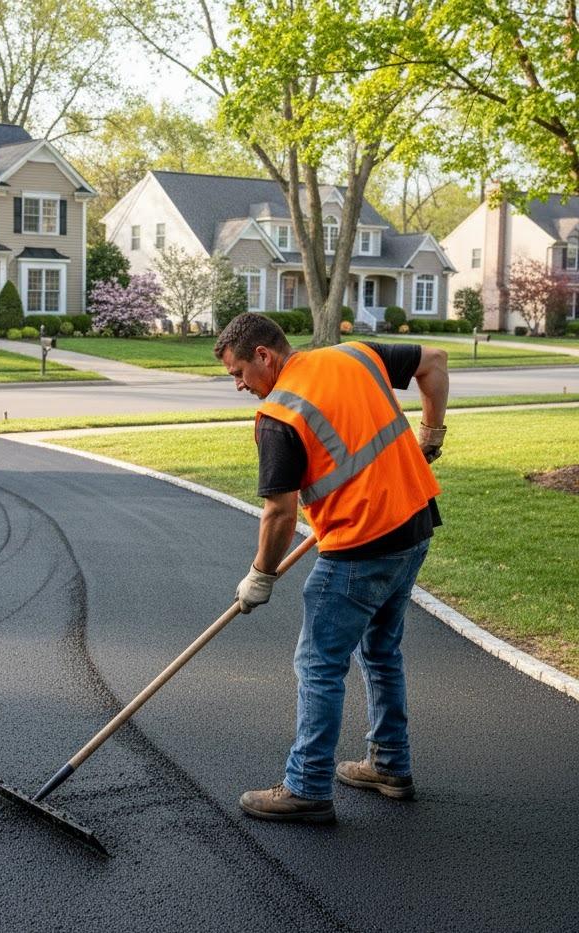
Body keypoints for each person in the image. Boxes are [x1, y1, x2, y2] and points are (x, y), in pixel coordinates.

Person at [214, 313, 449, 823]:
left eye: (238, 373)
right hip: (414, 525)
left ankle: (307, 787)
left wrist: (260, 576)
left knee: (319, 665)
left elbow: (279, 513)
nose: (239, 386)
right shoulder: (354, 354)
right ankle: (389, 765)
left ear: (263, 356)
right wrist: (431, 433)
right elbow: (434, 361)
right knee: (380, 651)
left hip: (360, 547)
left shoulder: (279, 415)